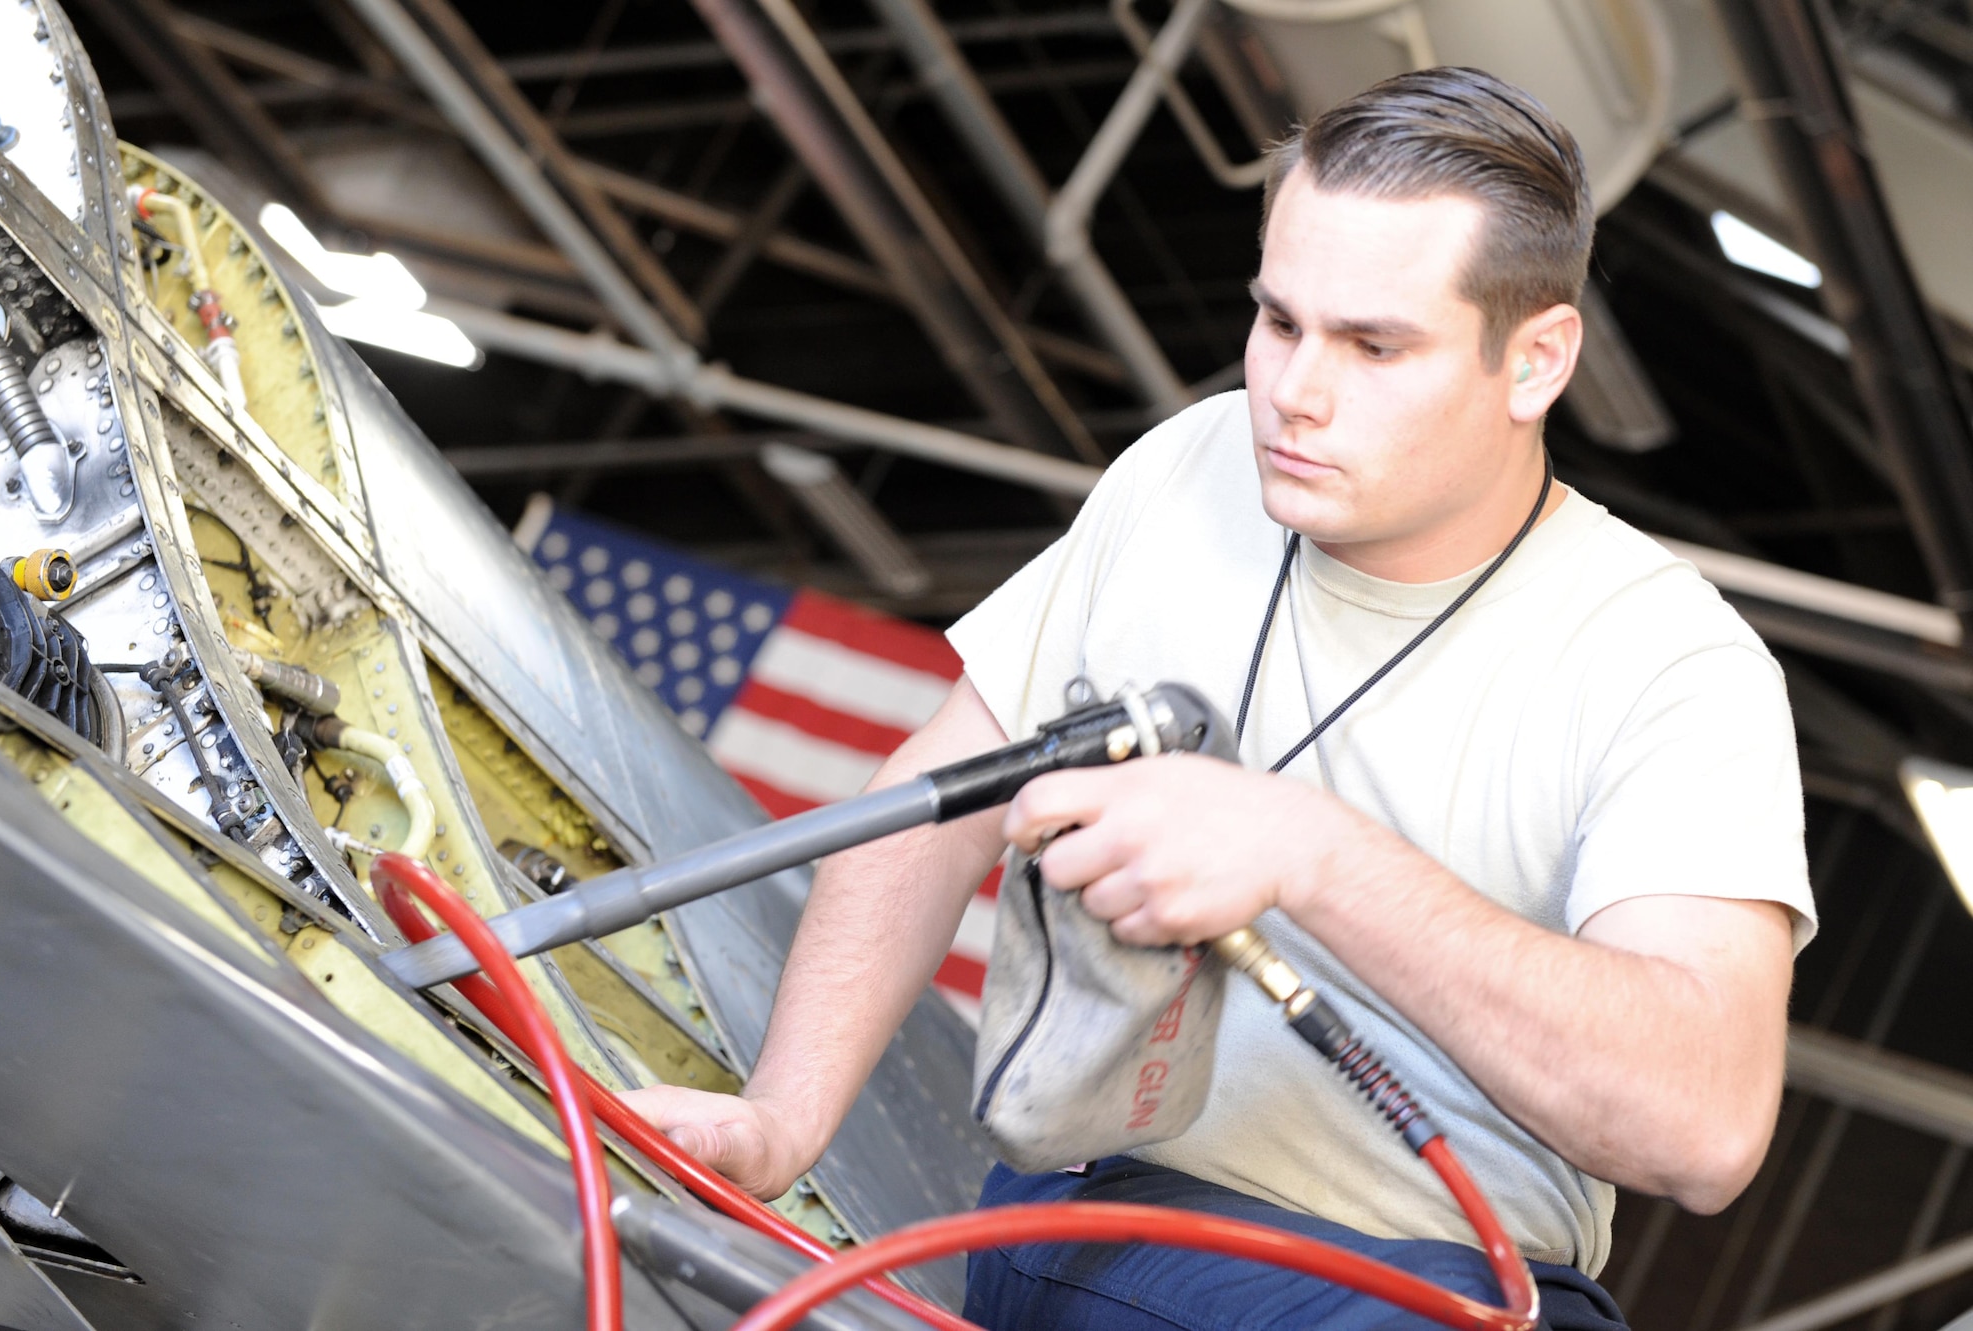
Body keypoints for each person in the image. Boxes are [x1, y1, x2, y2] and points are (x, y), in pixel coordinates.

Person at [624, 67, 1815, 1330]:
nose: (1292, 392)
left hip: (1405, 1292)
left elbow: (1704, 1124)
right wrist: (782, 1116)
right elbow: (940, 802)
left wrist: (1309, 855)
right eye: (1277, 321)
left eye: (1372, 345)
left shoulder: (1672, 662)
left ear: (1534, 361)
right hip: (1081, 1226)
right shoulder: (1185, 468)